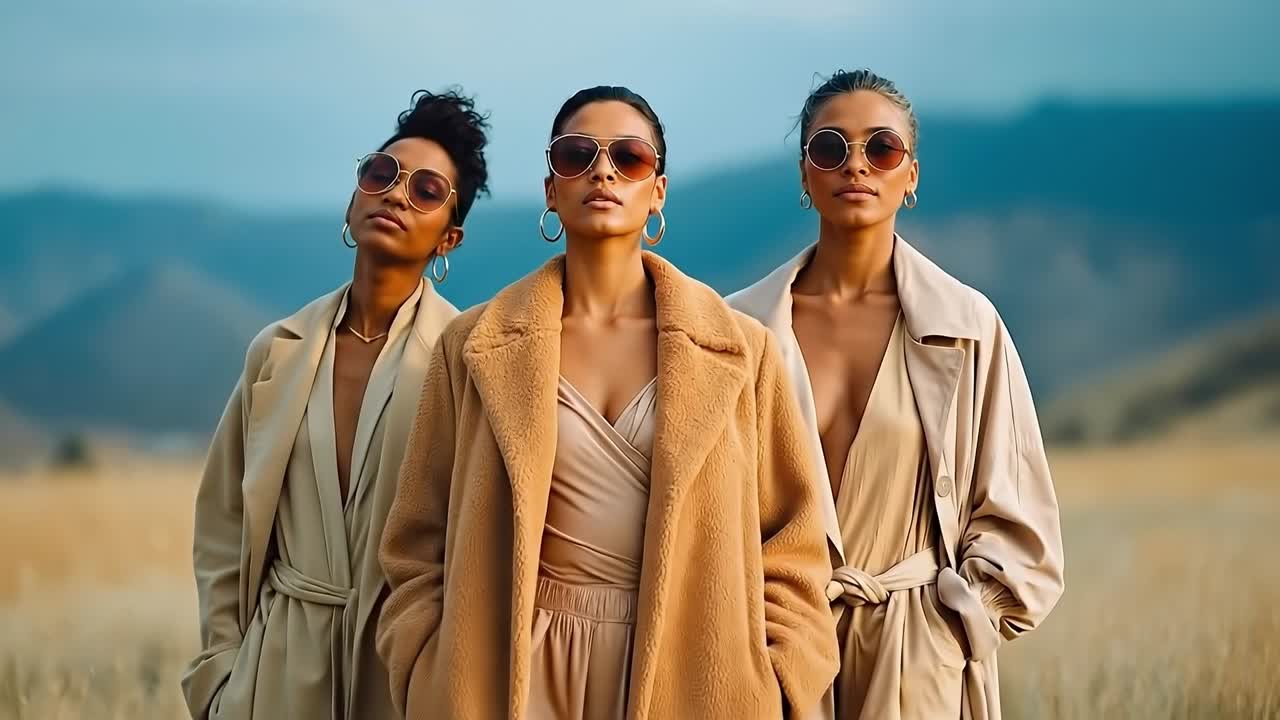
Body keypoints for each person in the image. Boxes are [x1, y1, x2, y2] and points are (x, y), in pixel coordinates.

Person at [377, 85, 839, 720]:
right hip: (510, 672)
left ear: (658, 191)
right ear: (550, 189)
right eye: (576, 155)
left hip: (692, 674)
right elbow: (415, 541)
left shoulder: (742, 350)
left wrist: (779, 681)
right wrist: (427, 671)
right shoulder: (472, 345)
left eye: (630, 158)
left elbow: (794, 543)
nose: (602, 171)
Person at [729, 68, 1064, 719]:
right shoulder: (737, 331)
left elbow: (1022, 516)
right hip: (771, 653)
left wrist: (959, 616)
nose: (856, 164)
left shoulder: (968, 327)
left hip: (919, 655)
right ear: (804, 174)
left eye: (881, 148)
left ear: (910, 175)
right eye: (831, 147)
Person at [183, 88, 489, 720]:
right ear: (354, 200)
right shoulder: (277, 351)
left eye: (427, 190)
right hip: (275, 673)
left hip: (401, 672)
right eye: (382, 174)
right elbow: (223, 520)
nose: (397, 193)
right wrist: (222, 675)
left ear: (449, 239)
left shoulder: (465, 360)